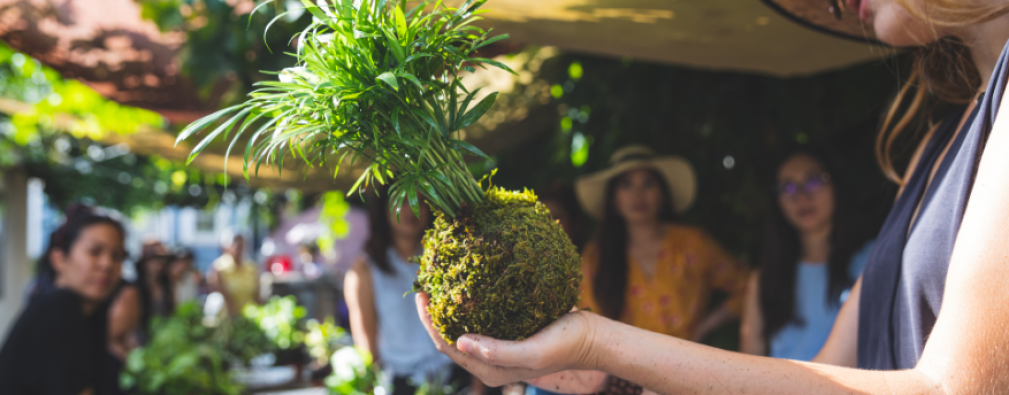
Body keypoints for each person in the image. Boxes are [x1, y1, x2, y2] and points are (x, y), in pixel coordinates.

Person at [414, 0, 1009, 393]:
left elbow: (946, 388)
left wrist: (604, 343)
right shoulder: (938, 141)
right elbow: (832, 375)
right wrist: (603, 376)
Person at [573, 145, 750, 343]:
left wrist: (708, 324)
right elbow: (587, 322)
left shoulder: (693, 243)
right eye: (626, 185)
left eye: (648, 184)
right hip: (624, 371)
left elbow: (750, 286)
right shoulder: (596, 256)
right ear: (613, 198)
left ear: (663, 193)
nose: (637, 194)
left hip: (691, 367)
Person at [740, 148, 874, 360]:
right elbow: (749, 362)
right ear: (777, 202)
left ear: (836, 185)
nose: (802, 196)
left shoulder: (873, 260)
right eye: (788, 187)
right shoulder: (763, 279)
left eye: (813, 181)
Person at [0, 208, 127, 395]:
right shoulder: (60, 305)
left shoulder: (92, 312)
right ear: (59, 259)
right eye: (95, 252)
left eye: (117, 256)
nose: (107, 264)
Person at [343, 190, 462, 395]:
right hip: (402, 384)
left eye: (421, 201)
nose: (412, 208)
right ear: (383, 208)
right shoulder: (364, 270)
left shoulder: (446, 259)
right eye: (402, 200)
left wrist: (478, 388)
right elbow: (367, 347)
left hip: (456, 377)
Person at [208, 234, 259, 317]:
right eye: (235, 245)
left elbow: (256, 293)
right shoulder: (219, 267)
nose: (238, 248)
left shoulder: (252, 267)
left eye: (241, 245)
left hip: (249, 315)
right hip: (227, 317)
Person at [537, 183, 585, 250]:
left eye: (556, 219)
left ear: (575, 223)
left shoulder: (592, 258)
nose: (548, 228)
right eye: (542, 220)